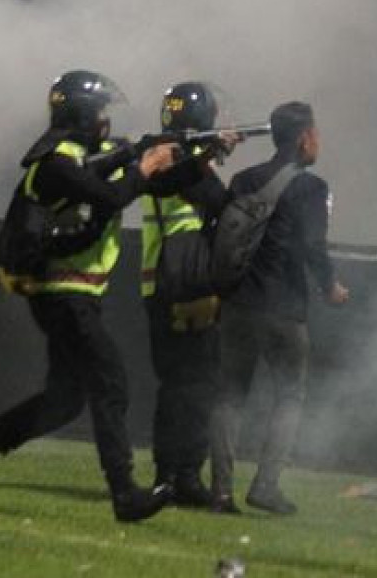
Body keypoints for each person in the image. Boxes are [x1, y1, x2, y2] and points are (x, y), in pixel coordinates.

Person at [0, 70, 177, 523]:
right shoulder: (57, 162)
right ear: (81, 114)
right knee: (110, 382)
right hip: (64, 294)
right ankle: (124, 493)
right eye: (100, 112)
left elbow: (115, 177)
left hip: (71, 294)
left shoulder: (71, 158)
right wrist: (143, 165)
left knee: (65, 399)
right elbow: (112, 195)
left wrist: (185, 153)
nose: (106, 120)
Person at [211, 101, 349, 515]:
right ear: (305, 137)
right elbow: (313, 246)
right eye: (317, 134)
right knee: (289, 395)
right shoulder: (311, 188)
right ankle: (266, 485)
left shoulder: (243, 180)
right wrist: (330, 287)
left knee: (230, 395)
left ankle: (220, 492)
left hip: (237, 304)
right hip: (283, 308)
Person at [139, 82, 240, 510]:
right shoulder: (173, 159)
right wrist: (212, 153)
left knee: (180, 386)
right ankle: (179, 476)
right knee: (195, 386)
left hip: (161, 283)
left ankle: (175, 475)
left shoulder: (168, 156)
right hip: (186, 285)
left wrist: (210, 152)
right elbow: (219, 200)